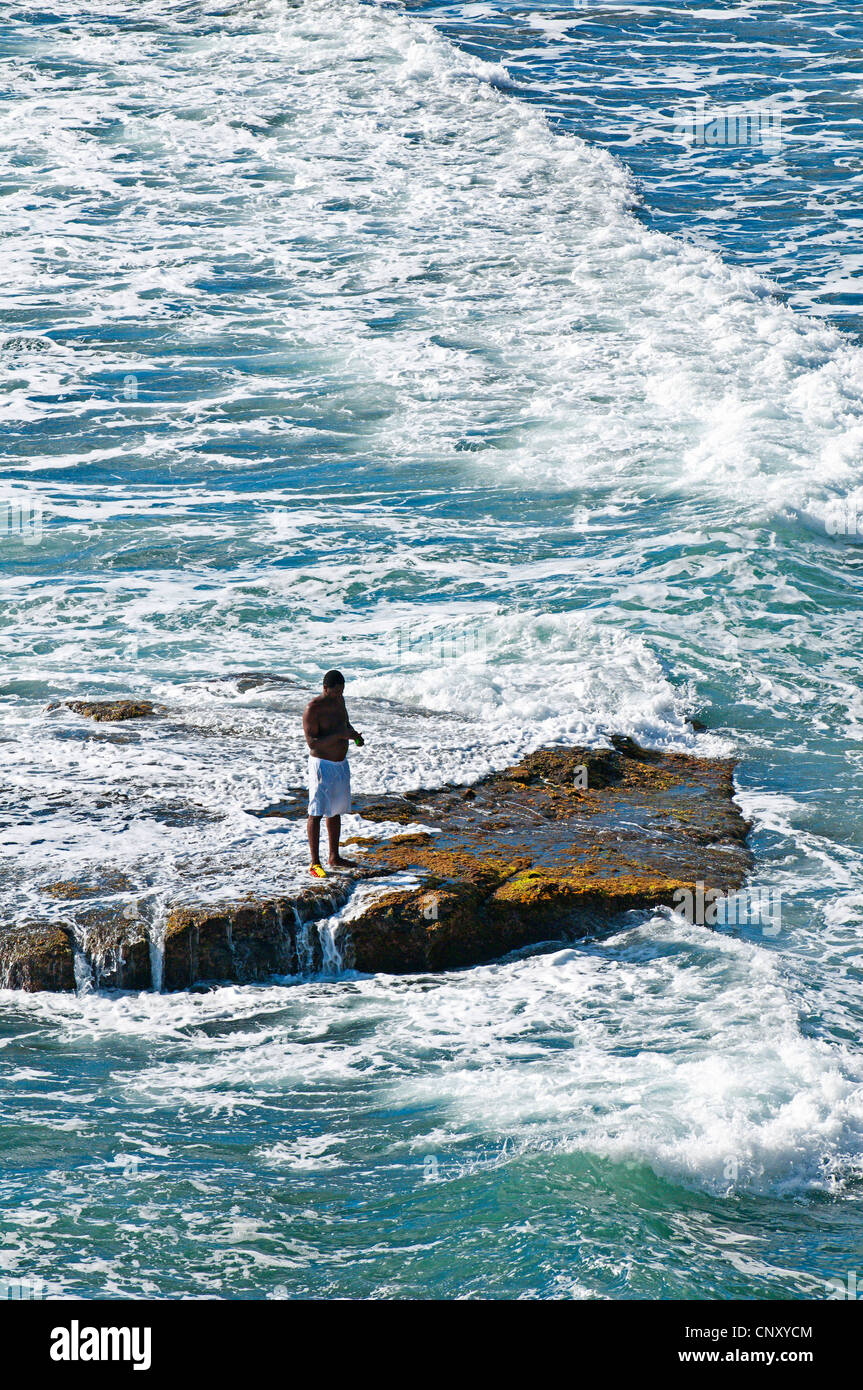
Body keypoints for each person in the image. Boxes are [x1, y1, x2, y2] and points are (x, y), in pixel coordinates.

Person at [302, 670, 364, 876]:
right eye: (335, 692)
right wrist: (340, 735)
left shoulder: (340, 701)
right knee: (316, 811)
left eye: (341, 691)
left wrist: (353, 735)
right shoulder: (313, 709)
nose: (339, 695)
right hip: (322, 765)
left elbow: (344, 724)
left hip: (340, 764)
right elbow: (312, 742)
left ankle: (334, 856)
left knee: (335, 811)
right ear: (325, 688)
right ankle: (314, 863)